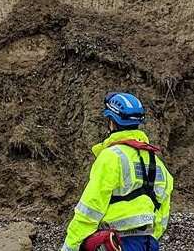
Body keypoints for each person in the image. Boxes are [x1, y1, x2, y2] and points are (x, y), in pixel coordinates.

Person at [61, 92, 174, 251]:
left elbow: (90, 210)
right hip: (148, 244)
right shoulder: (157, 163)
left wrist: (69, 246)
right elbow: (163, 215)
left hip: (116, 243)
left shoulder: (111, 157)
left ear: (112, 122)